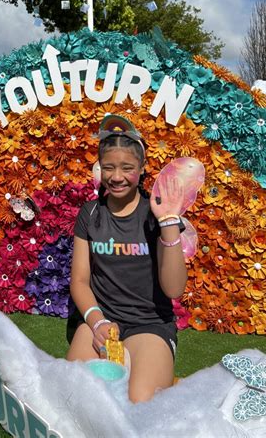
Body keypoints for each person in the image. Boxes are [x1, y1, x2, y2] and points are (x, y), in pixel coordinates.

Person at [67, 115, 187, 403]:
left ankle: (161, 376)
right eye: (109, 167)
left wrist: (168, 222)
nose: (117, 176)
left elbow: (174, 289)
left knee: (140, 401)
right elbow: (80, 281)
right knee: (74, 395)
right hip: (102, 320)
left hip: (150, 324)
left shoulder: (157, 213)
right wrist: (96, 323)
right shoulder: (90, 214)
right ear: (99, 169)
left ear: (142, 169)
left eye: (127, 168)